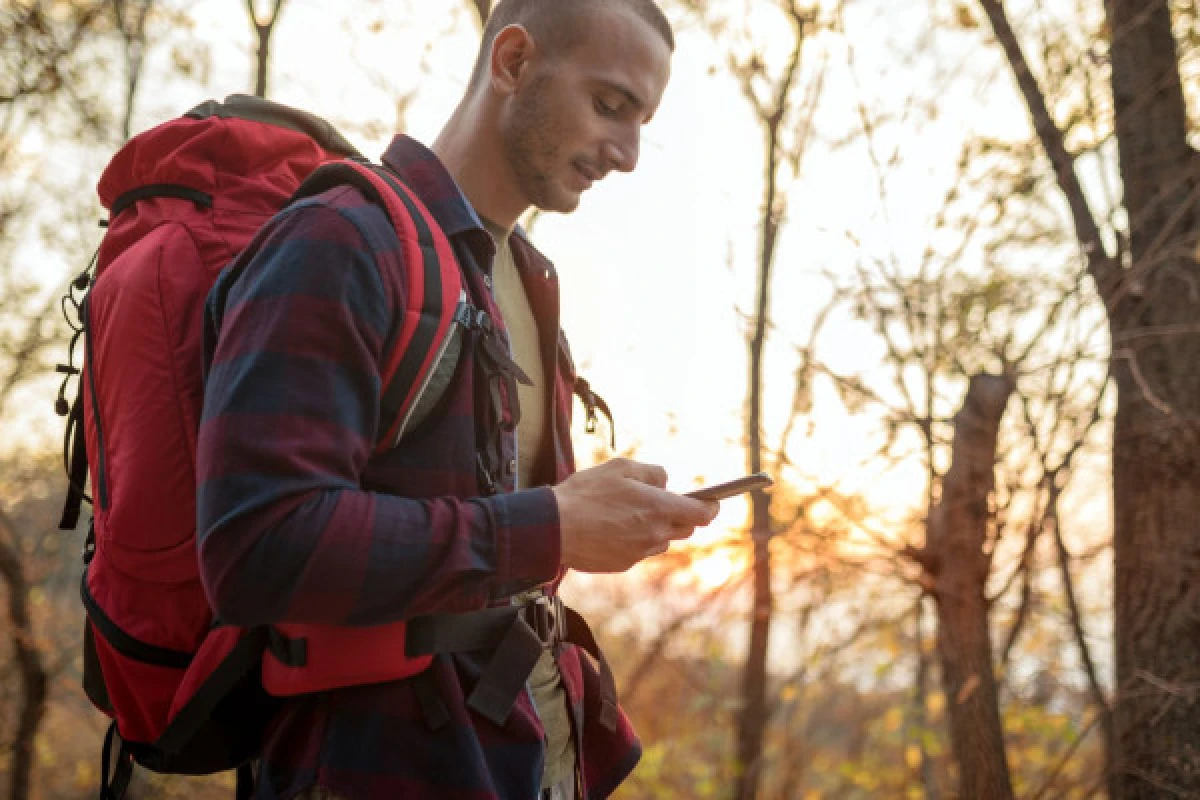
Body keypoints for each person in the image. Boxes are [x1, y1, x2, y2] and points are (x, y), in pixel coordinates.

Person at [195, 1, 717, 798]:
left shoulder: (528, 278)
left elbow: (500, 548)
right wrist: (554, 523)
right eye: (610, 106)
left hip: (521, 757)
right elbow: (258, 546)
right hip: (377, 769)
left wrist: (591, 520)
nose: (629, 154)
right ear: (511, 63)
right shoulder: (340, 239)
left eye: (642, 121)